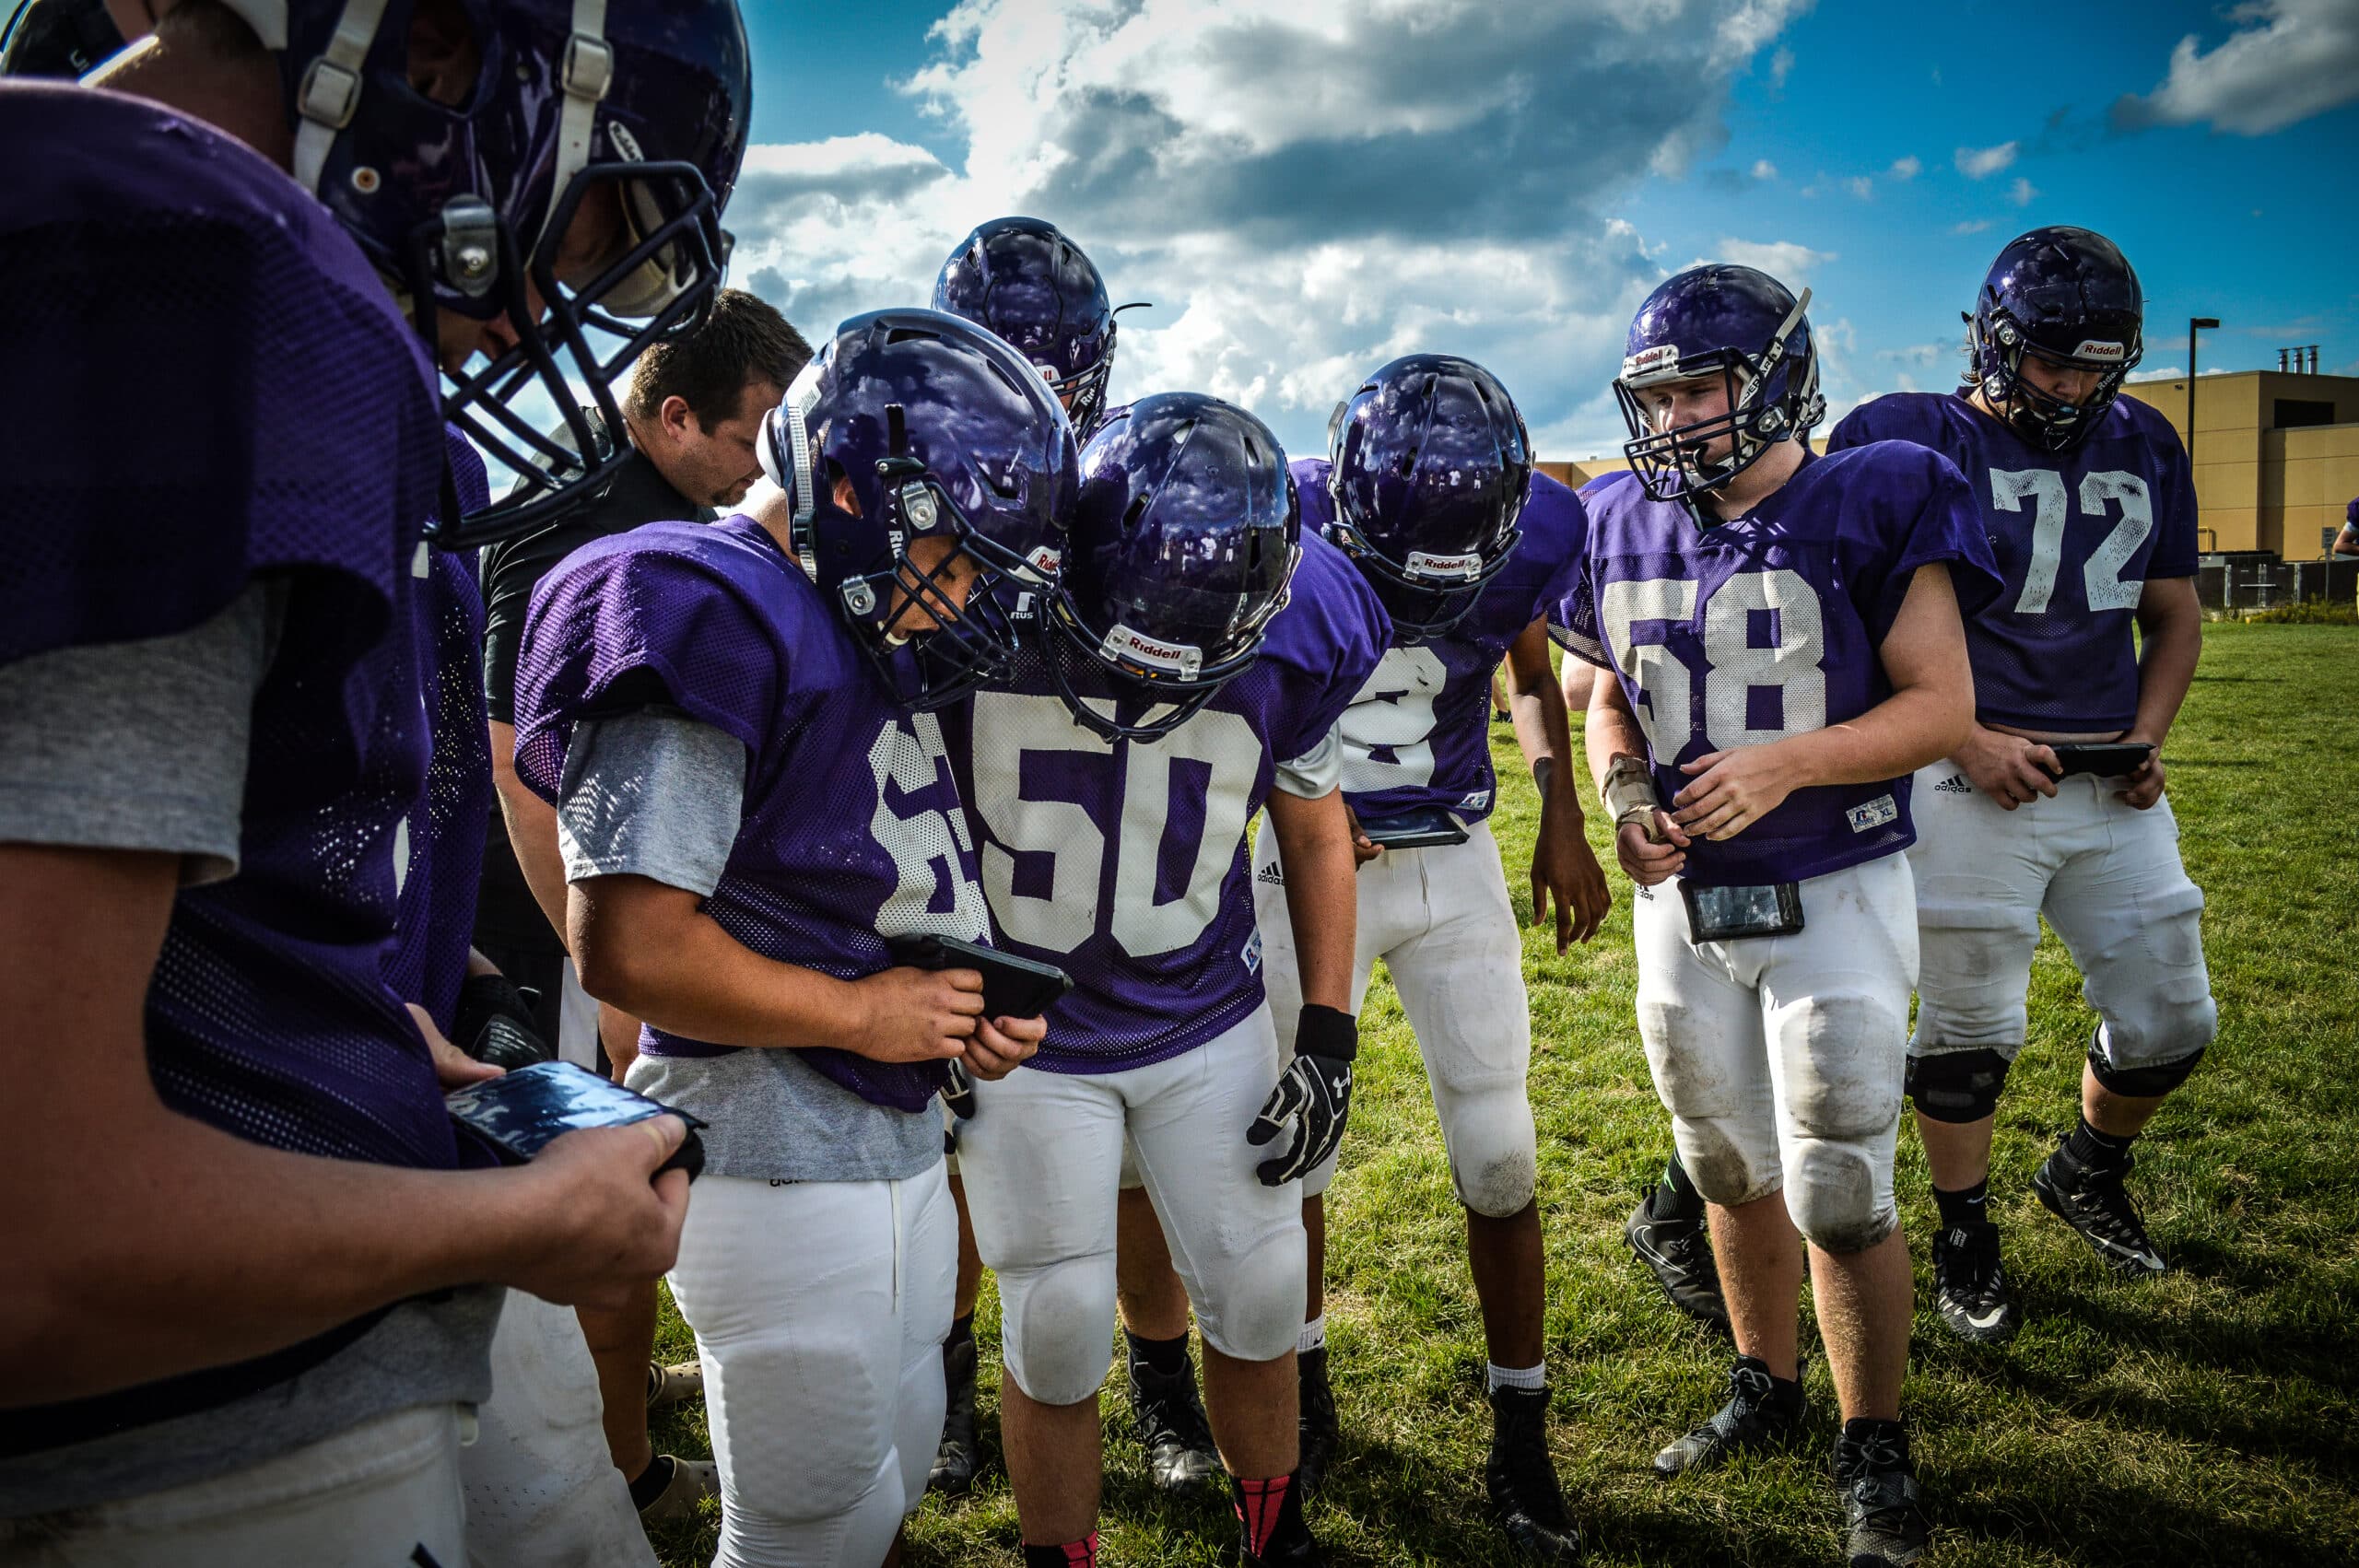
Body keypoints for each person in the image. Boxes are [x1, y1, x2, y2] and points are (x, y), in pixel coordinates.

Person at [0, 0, 745, 1559]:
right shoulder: (183, 263)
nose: (543, 314)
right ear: (447, 58)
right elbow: (35, 1238)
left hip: (316, 1266)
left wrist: (371, 1012)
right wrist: (535, 1219)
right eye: (588, 225)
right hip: (194, 1425)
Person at [514, 307, 1076, 1568]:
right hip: (774, 1146)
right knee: (804, 1523)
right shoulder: (696, 599)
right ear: (858, 493)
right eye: (957, 549)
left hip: (882, 1132)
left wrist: (948, 1003)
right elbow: (632, 944)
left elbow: (849, 881)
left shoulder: (847, 607)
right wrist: (868, 1014)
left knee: (887, 1473)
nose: (971, 590)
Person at [1556, 263, 1997, 1568]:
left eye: (1703, 385)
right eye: (1660, 392)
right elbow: (1608, 698)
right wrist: (1625, 794)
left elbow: (1943, 709)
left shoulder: (1875, 490)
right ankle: (1766, 1378)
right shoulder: (1615, 514)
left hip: (1836, 877)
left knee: (1842, 1171)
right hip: (1685, 896)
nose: (1680, 415)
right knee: (1722, 1158)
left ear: (1782, 376)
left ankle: (1877, 1440)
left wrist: (1790, 761)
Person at [944, 392, 1386, 1568]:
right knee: (1055, 1322)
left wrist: (1328, 1033)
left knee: (1257, 1294)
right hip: (1027, 1034)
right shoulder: (981, 603)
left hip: (1205, 1013)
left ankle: (1273, 1536)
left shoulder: (1307, 625)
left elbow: (1314, 827)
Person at [1825, 227, 2215, 1344]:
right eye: (2052, 363)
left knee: (2171, 1016)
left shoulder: (2144, 438)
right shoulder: (1908, 433)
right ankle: (1963, 1232)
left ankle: (2086, 1166)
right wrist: (1964, 737)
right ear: (1991, 344)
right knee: (1968, 1028)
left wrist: (2147, 732)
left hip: (2105, 774)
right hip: (1967, 780)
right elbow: (1858, 617)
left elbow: (2173, 612)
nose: (2073, 386)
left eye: (2095, 365)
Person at [1254, 355, 1608, 1560]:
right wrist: (1291, 795)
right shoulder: (1281, 515)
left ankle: (1523, 1424)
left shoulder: (1535, 527)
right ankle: (1298, 1379)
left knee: (1502, 1151)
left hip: (1448, 852)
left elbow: (1519, 655)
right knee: (1291, 1153)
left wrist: (1559, 804)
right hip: (1306, 865)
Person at [474, 290, 811, 1522]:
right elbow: (516, 752)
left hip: (632, 901)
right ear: (673, 416)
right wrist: (607, 964)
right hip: (549, 929)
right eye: (754, 435)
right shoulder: (579, 508)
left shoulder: (682, 504)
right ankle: (619, 1474)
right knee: (602, 1191)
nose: (766, 468)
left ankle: (621, 1416)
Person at [928, 214, 1223, 1498]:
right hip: (959, 875)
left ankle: (1163, 1386)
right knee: (949, 1159)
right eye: (1007, 362)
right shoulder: (915, 488)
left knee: (1134, 1169)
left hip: (1119, 858)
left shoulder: (1135, 488)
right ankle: (947, 1389)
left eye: (1057, 366)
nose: (1040, 393)